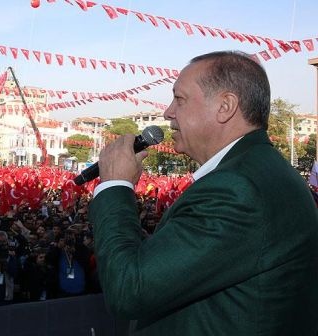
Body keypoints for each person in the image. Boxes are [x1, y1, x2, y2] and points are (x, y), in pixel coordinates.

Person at [88, 50, 318, 335]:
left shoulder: (237, 189)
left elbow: (129, 289)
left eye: (180, 99)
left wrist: (115, 185)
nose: (167, 112)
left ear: (225, 106)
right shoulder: (254, 170)